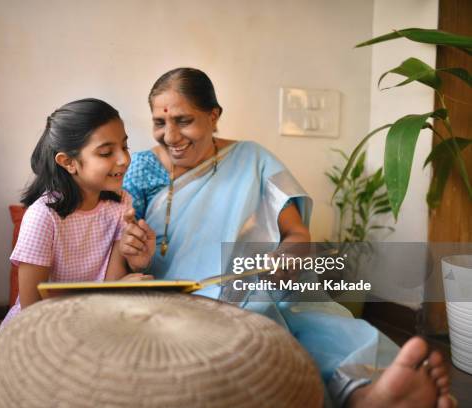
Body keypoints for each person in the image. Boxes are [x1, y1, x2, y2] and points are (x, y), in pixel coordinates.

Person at [121, 68, 455, 408]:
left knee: (310, 315)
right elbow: (124, 250)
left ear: (213, 115)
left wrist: (288, 254)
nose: (170, 135)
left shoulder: (252, 158)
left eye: (183, 120)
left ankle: (370, 389)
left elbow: (297, 234)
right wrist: (136, 256)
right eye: (159, 123)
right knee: (262, 319)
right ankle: (358, 393)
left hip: (260, 280)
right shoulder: (143, 167)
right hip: (185, 291)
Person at [0, 98, 153, 329]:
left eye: (124, 146)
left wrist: (134, 268)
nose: (124, 160)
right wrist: (109, 296)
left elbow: (110, 286)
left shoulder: (121, 203)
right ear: (68, 162)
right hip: (41, 328)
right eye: (105, 153)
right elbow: (32, 309)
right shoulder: (43, 216)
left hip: (95, 320)